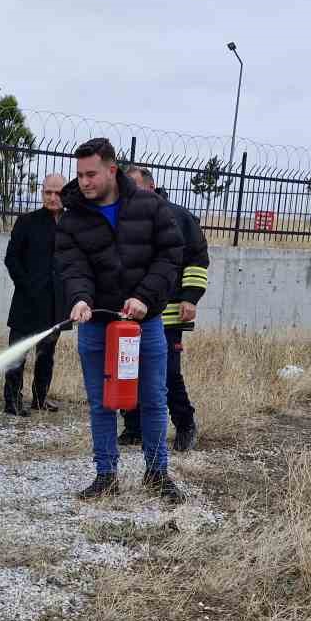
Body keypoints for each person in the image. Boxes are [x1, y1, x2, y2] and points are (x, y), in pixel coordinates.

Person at [55, 138, 186, 503]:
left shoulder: (150, 206)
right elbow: (72, 266)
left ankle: (157, 473)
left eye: (91, 174)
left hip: (146, 324)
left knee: (153, 398)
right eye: (79, 175)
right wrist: (80, 299)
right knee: (101, 402)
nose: (83, 182)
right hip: (97, 324)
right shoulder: (73, 217)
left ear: (112, 170)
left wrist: (145, 297)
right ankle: (105, 475)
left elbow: (170, 256)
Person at [117, 165, 210, 451]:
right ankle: (134, 427)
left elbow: (197, 259)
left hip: (167, 314)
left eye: (134, 187)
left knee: (167, 373)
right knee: (128, 369)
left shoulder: (179, 217)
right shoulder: (121, 218)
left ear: (151, 186)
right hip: (130, 312)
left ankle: (185, 425)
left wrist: (190, 297)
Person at [2, 172, 68, 415]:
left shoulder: (71, 224)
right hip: (27, 301)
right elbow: (11, 259)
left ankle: (40, 398)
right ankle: (12, 400)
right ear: (42, 193)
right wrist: (26, 286)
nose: (52, 197)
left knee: (46, 354)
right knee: (17, 353)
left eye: (58, 192)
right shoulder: (27, 222)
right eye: (47, 192)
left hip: (55, 304)